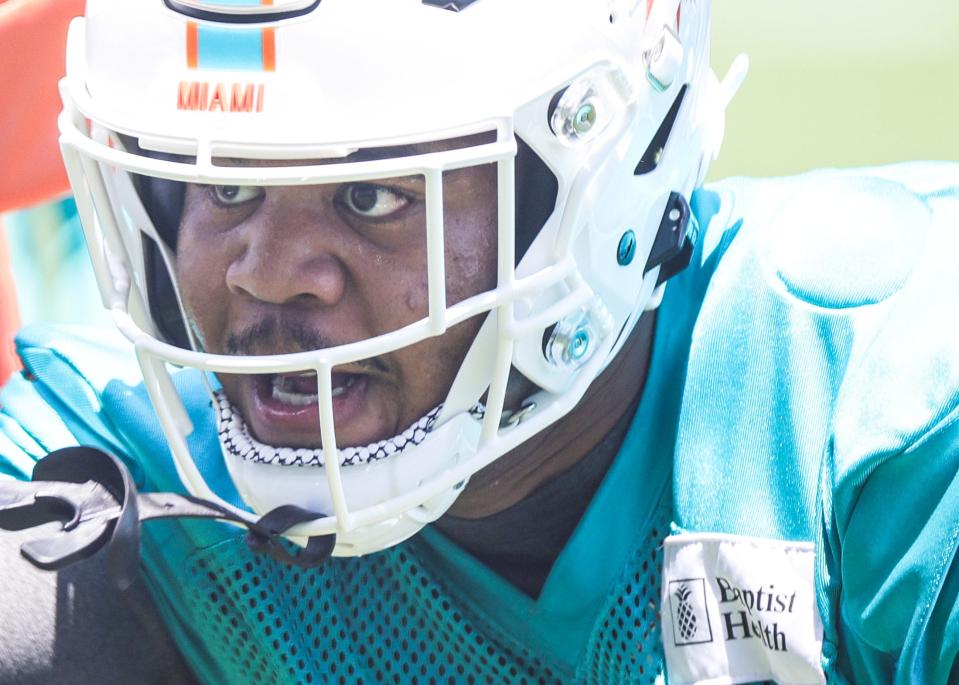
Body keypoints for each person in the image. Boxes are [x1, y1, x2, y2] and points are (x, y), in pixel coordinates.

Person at [1, 0, 957, 683]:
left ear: (599, 174)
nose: (265, 272)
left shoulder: (881, 397)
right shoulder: (123, 471)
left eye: (372, 195)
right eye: (225, 187)